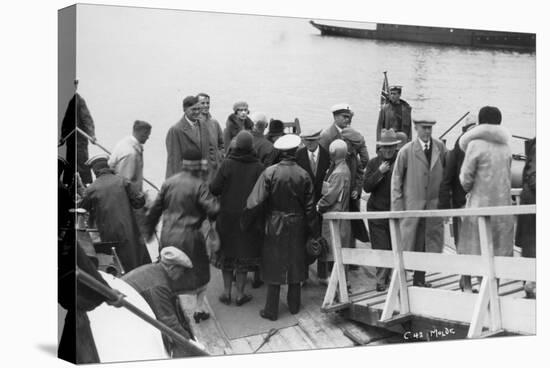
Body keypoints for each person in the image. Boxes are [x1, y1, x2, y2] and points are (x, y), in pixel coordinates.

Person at [243, 134, 318, 321]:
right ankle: (294, 306)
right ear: (295, 152)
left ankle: (271, 310)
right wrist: (313, 232)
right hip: (298, 223)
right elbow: (310, 208)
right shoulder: (304, 174)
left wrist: (247, 223)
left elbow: (254, 203)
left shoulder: (269, 173)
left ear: (280, 152)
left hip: (274, 223)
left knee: (273, 265)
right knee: (295, 263)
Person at [145, 150, 220, 323]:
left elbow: (155, 210)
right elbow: (213, 209)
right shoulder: (199, 185)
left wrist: (149, 232)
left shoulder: (168, 183)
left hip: (168, 235)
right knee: (200, 274)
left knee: (171, 273)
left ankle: (172, 311)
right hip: (190, 238)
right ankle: (199, 308)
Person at [458, 106, 514, 286]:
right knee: (497, 250)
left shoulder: (474, 145)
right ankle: (493, 289)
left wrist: (470, 190)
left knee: (473, 248)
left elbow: (465, 179)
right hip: (502, 208)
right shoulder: (506, 147)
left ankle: (469, 285)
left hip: (479, 206)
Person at [210, 131, 264, 306]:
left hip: (226, 217)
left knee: (227, 255)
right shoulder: (258, 167)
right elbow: (262, 194)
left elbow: (214, 188)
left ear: (236, 146)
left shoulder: (227, 164)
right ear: (251, 147)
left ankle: (226, 293)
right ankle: (240, 294)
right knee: (243, 256)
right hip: (247, 218)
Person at [391, 117, 446, 287]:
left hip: (432, 206)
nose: (427, 131)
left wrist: (445, 203)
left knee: (426, 242)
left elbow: (447, 176)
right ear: (416, 128)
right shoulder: (406, 151)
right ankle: (401, 281)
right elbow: (396, 181)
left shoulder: (440, 148)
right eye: (424, 128)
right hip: (412, 206)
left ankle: (420, 279)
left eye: (430, 128)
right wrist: (398, 208)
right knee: (409, 242)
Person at [80, 154, 151, 273]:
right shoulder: (122, 181)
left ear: (95, 170)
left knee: (118, 263)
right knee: (137, 259)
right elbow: (138, 202)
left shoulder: (92, 188)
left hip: (109, 235)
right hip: (130, 230)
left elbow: (82, 209)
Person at [123, 247, 197, 358]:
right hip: (123, 317)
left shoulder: (155, 269)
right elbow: (168, 322)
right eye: (181, 271)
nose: (182, 275)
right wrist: (190, 343)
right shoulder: (159, 286)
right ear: (172, 268)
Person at [438, 119, 477, 292]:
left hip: (476, 206)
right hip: (461, 206)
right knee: (463, 246)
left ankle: (466, 281)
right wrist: (445, 210)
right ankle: (466, 282)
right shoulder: (455, 153)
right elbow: (446, 181)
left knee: (476, 246)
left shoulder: (477, 150)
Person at [364, 129, 401, 291]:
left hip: (394, 212)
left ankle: (394, 279)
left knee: (395, 246)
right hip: (377, 212)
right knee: (380, 247)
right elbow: (366, 187)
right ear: (380, 148)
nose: (388, 150)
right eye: (385, 147)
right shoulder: (373, 163)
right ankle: (380, 280)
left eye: (391, 147)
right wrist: (379, 172)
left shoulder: (401, 161)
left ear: (396, 147)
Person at [296, 128, 331, 280]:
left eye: (312, 140)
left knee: (322, 238)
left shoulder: (327, 155)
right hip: (304, 206)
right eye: (306, 140)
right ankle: (303, 275)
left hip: (322, 205)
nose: (309, 143)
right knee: (304, 238)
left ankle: (323, 275)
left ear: (318, 139)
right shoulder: (298, 156)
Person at [316, 139, 352, 286]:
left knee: (333, 251)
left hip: (335, 216)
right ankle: (339, 282)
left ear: (333, 153)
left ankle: (338, 284)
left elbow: (331, 195)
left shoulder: (338, 173)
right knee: (337, 251)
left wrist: (319, 205)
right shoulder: (344, 168)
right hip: (341, 214)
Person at [165, 96, 211, 180]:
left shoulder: (203, 125)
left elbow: (206, 153)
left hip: (202, 178)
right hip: (185, 180)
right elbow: (174, 160)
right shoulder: (176, 130)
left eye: (198, 109)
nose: (197, 112)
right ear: (184, 110)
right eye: (193, 109)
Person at [60, 88, 97, 186]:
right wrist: (63, 136)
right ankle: (68, 188)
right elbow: (66, 121)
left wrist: (92, 134)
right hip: (71, 141)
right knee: (70, 167)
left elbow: (87, 119)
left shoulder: (79, 100)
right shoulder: (72, 101)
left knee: (83, 166)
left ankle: (87, 187)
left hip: (80, 141)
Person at [515, 137, 536, 298]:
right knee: (531, 246)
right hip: (532, 201)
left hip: (531, 198)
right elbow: (533, 176)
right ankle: (530, 285)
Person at [108, 120, 152, 192]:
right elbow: (126, 181)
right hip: (126, 196)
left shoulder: (123, 142)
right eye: (148, 134)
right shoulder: (131, 154)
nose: (148, 137)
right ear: (143, 133)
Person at [197, 93, 225, 182]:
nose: (206, 105)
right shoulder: (194, 124)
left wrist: (219, 155)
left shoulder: (214, 123)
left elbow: (222, 143)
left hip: (215, 168)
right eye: (203, 103)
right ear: (197, 105)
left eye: (208, 103)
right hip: (201, 170)